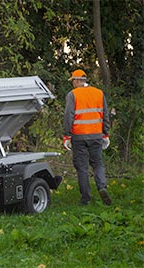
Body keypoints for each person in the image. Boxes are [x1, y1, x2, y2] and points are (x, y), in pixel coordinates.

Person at [63, 69, 112, 206]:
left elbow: (68, 116)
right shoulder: (99, 93)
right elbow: (105, 115)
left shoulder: (72, 95)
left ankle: (86, 198)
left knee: (82, 167)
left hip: (79, 136)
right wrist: (105, 133)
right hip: (96, 135)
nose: (72, 83)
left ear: (78, 80)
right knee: (97, 164)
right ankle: (102, 187)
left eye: (73, 80)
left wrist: (66, 135)